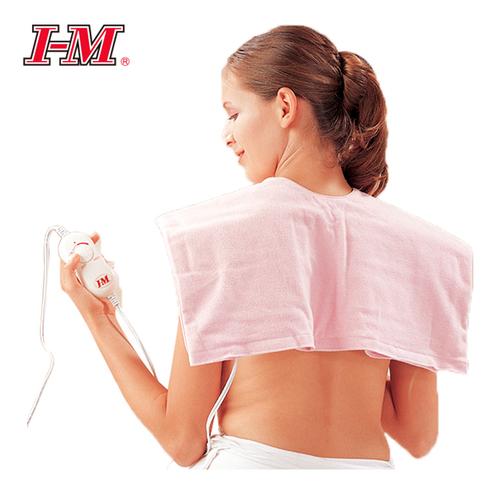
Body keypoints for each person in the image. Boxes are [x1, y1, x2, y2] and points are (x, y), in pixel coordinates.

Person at [178, 24, 436, 469]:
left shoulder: (222, 233)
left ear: (284, 106)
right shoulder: (414, 247)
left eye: (233, 113)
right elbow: (418, 435)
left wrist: (98, 316)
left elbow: (183, 441)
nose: (227, 135)